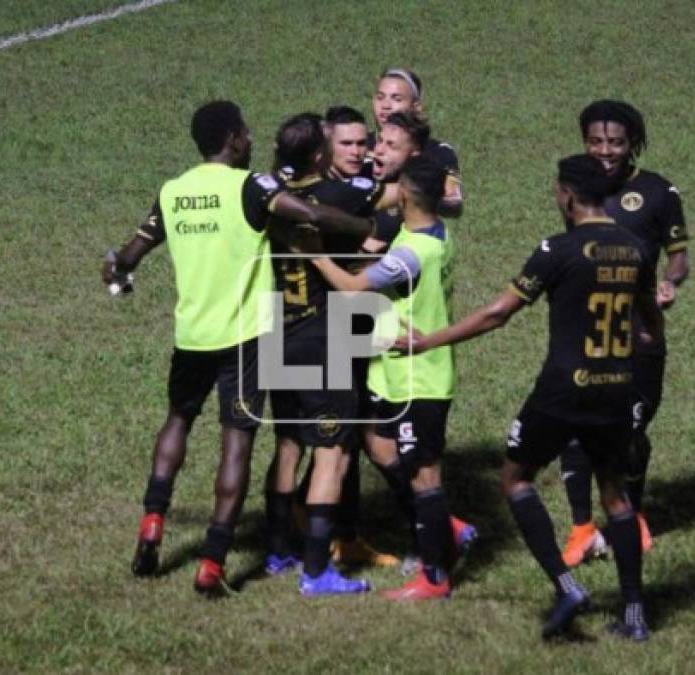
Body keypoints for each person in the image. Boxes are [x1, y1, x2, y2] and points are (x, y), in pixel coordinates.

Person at [104, 100, 372, 596]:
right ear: (231, 139)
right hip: (245, 338)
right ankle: (212, 560)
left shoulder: (174, 192)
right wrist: (365, 228)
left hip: (192, 335)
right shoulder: (249, 186)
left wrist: (117, 266)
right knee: (236, 444)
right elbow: (308, 211)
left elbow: (130, 254)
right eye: (245, 134)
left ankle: (153, 519)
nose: (250, 141)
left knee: (177, 421)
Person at [402, 154, 663, 639]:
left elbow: (498, 313)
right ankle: (634, 614)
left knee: (516, 479)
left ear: (567, 194)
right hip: (614, 391)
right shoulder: (635, 249)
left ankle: (567, 587)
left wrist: (428, 341)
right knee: (615, 495)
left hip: (563, 390)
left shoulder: (558, 249)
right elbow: (650, 323)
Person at [304, 155, 459, 600]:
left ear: (406, 195)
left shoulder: (412, 252)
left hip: (418, 379)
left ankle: (436, 572)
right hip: (396, 374)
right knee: (379, 444)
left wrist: (316, 257)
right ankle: (439, 546)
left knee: (424, 476)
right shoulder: (436, 235)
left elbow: (353, 289)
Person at [260, 112, 390, 592]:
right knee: (333, 452)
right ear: (321, 153)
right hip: (323, 333)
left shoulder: (274, 198)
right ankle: (317, 570)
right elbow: (399, 198)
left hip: (279, 324)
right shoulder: (338, 194)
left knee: (289, 446)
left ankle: (277, 550)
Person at [559, 100, 691, 567]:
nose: (605, 151)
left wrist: (669, 283)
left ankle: (630, 512)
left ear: (632, 143)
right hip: (589, 331)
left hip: (640, 335)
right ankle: (581, 530)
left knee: (630, 431)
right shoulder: (575, 187)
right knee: (574, 431)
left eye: (615, 142)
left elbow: (679, 255)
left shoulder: (656, 191)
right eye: (595, 141)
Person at [369, 68, 462, 217]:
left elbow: (453, 203)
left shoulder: (436, 152)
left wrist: (406, 193)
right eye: (380, 97)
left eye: (397, 99)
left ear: (416, 107)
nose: (385, 105)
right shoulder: (357, 145)